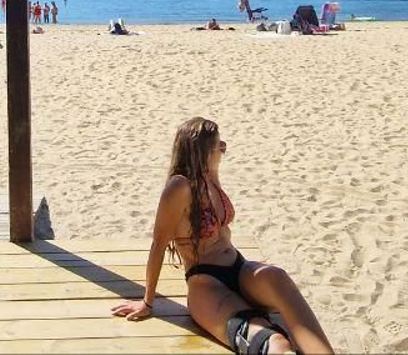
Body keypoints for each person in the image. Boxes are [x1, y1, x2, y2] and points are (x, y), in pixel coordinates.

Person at [112, 118, 333, 354]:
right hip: (206, 282)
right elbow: (158, 243)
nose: (224, 150)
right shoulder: (179, 188)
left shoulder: (210, 177)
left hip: (239, 268)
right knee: (276, 342)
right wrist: (147, 302)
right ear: (204, 151)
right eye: (220, 146)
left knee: (277, 277)